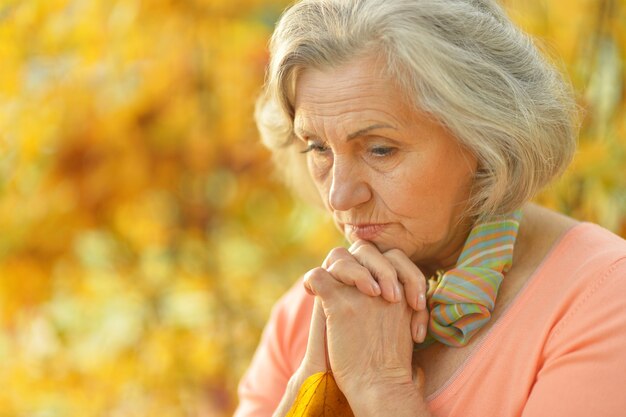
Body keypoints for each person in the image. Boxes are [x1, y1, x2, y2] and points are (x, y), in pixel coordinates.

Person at [234, 0, 626, 416]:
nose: (339, 196)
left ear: (485, 137)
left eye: (380, 150)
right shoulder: (307, 311)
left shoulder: (603, 303)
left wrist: (380, 388)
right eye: (319, 148)